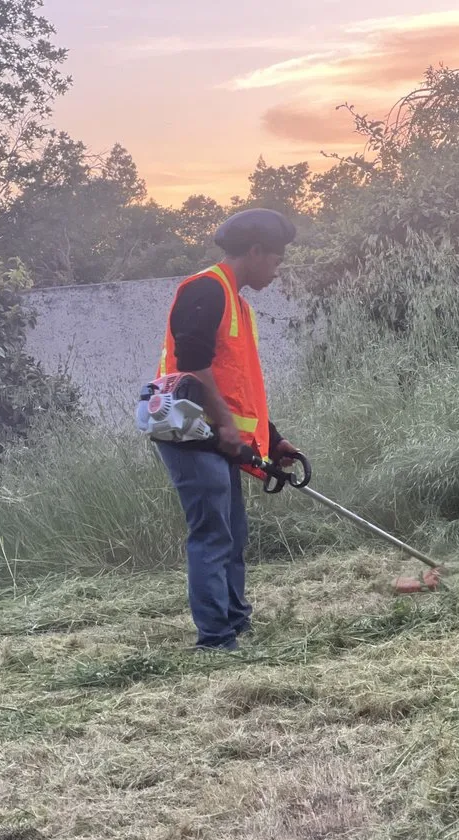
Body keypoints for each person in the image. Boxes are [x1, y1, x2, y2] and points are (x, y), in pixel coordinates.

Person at [153, 208, 301, 651]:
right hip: (190, 431)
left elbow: (237, 383)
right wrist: (226, 424)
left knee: (233, 533)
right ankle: (215, 641)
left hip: (216, 430)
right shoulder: (204, 290)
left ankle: (236, 621)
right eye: (276, 259)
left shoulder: (238, 304)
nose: (277, 269)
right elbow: (192, 363)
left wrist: (273, 440)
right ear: (255, 252)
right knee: (213, 533)